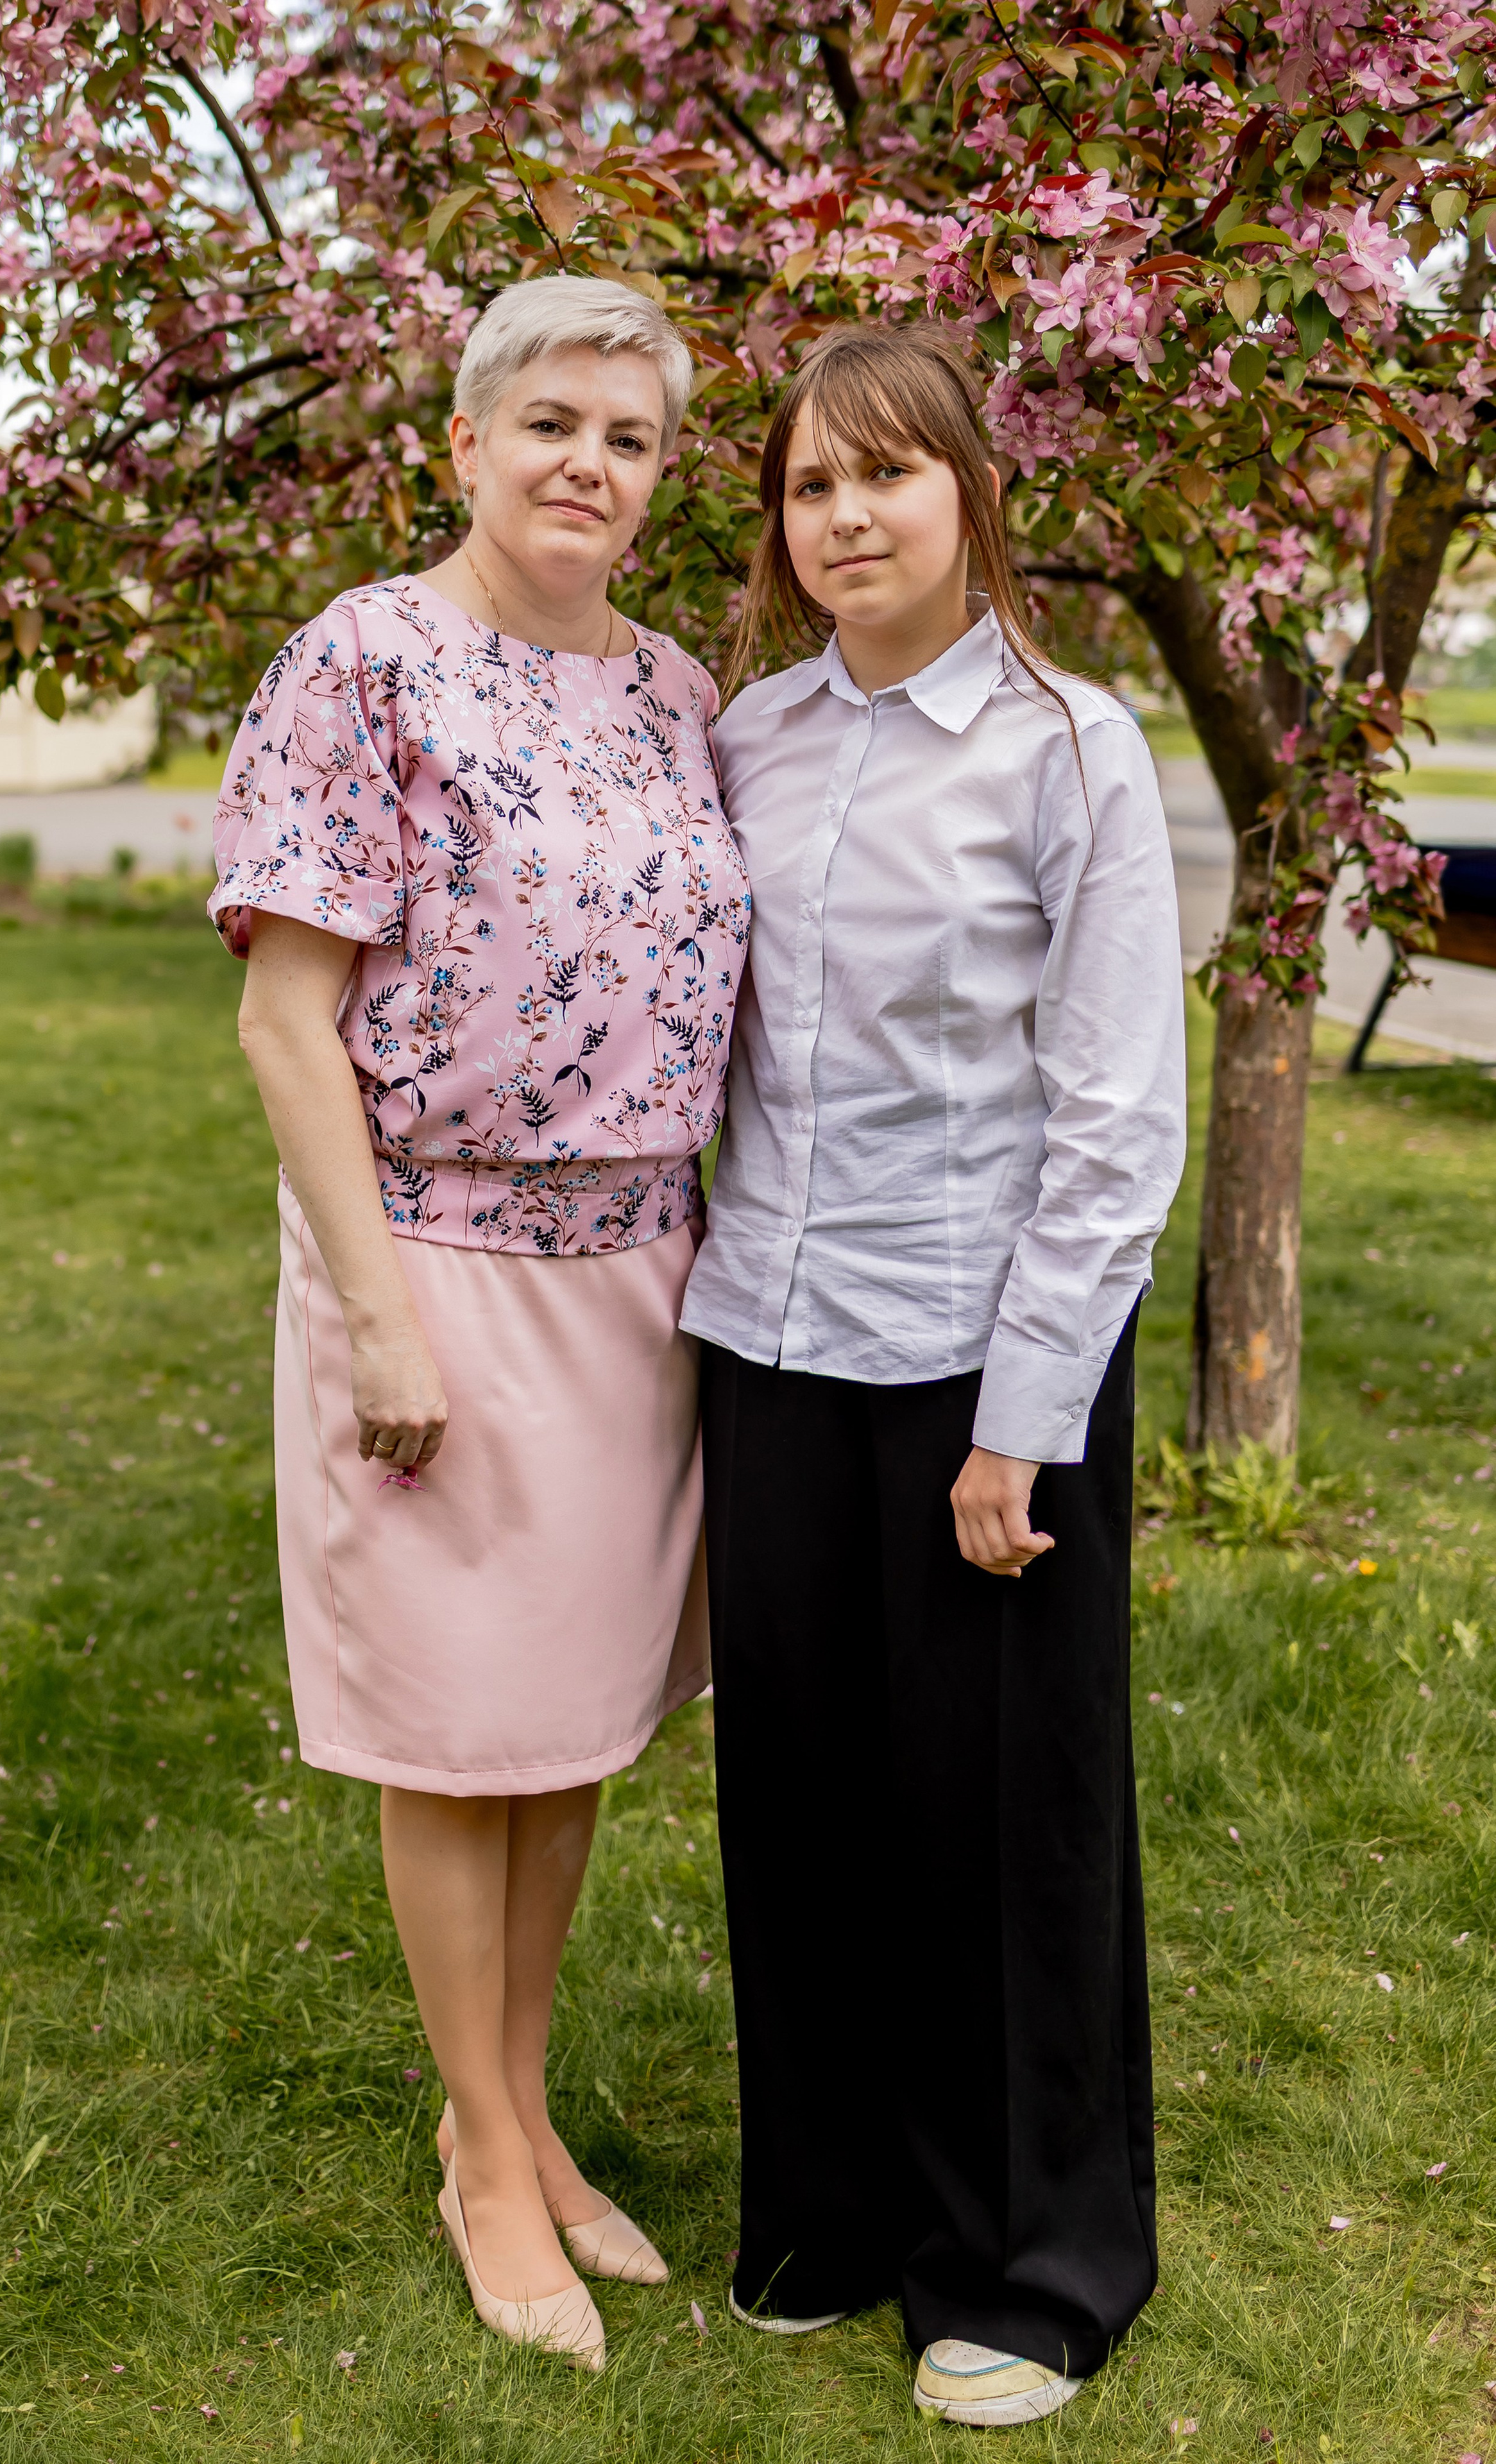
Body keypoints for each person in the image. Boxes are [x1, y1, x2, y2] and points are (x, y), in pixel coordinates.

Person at [210, 274, 750, 2373]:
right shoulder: (365, 661)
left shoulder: (674, 690)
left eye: (626, 439)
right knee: (455, 1734)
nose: (586, 466)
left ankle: (508, 2119)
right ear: (462, 442)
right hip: (431, 1256)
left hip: (642, 1277)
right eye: (550, 423)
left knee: (567, 1729)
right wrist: (381, 1322)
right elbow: (284, 1025)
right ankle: (494, 2162)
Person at [681, 322, 1186, 2426]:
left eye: (886, 477)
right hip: (771, 1348)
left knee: (1004, 1817)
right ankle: (828, 2206)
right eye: (810, 487)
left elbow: (1114, 1118)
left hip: (987, 1357)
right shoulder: (749, 738)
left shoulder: (1076, 751)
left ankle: (1032, 2263)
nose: (847, 518)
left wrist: (1024, 1419)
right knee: (800, 1797)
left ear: (973, 494)